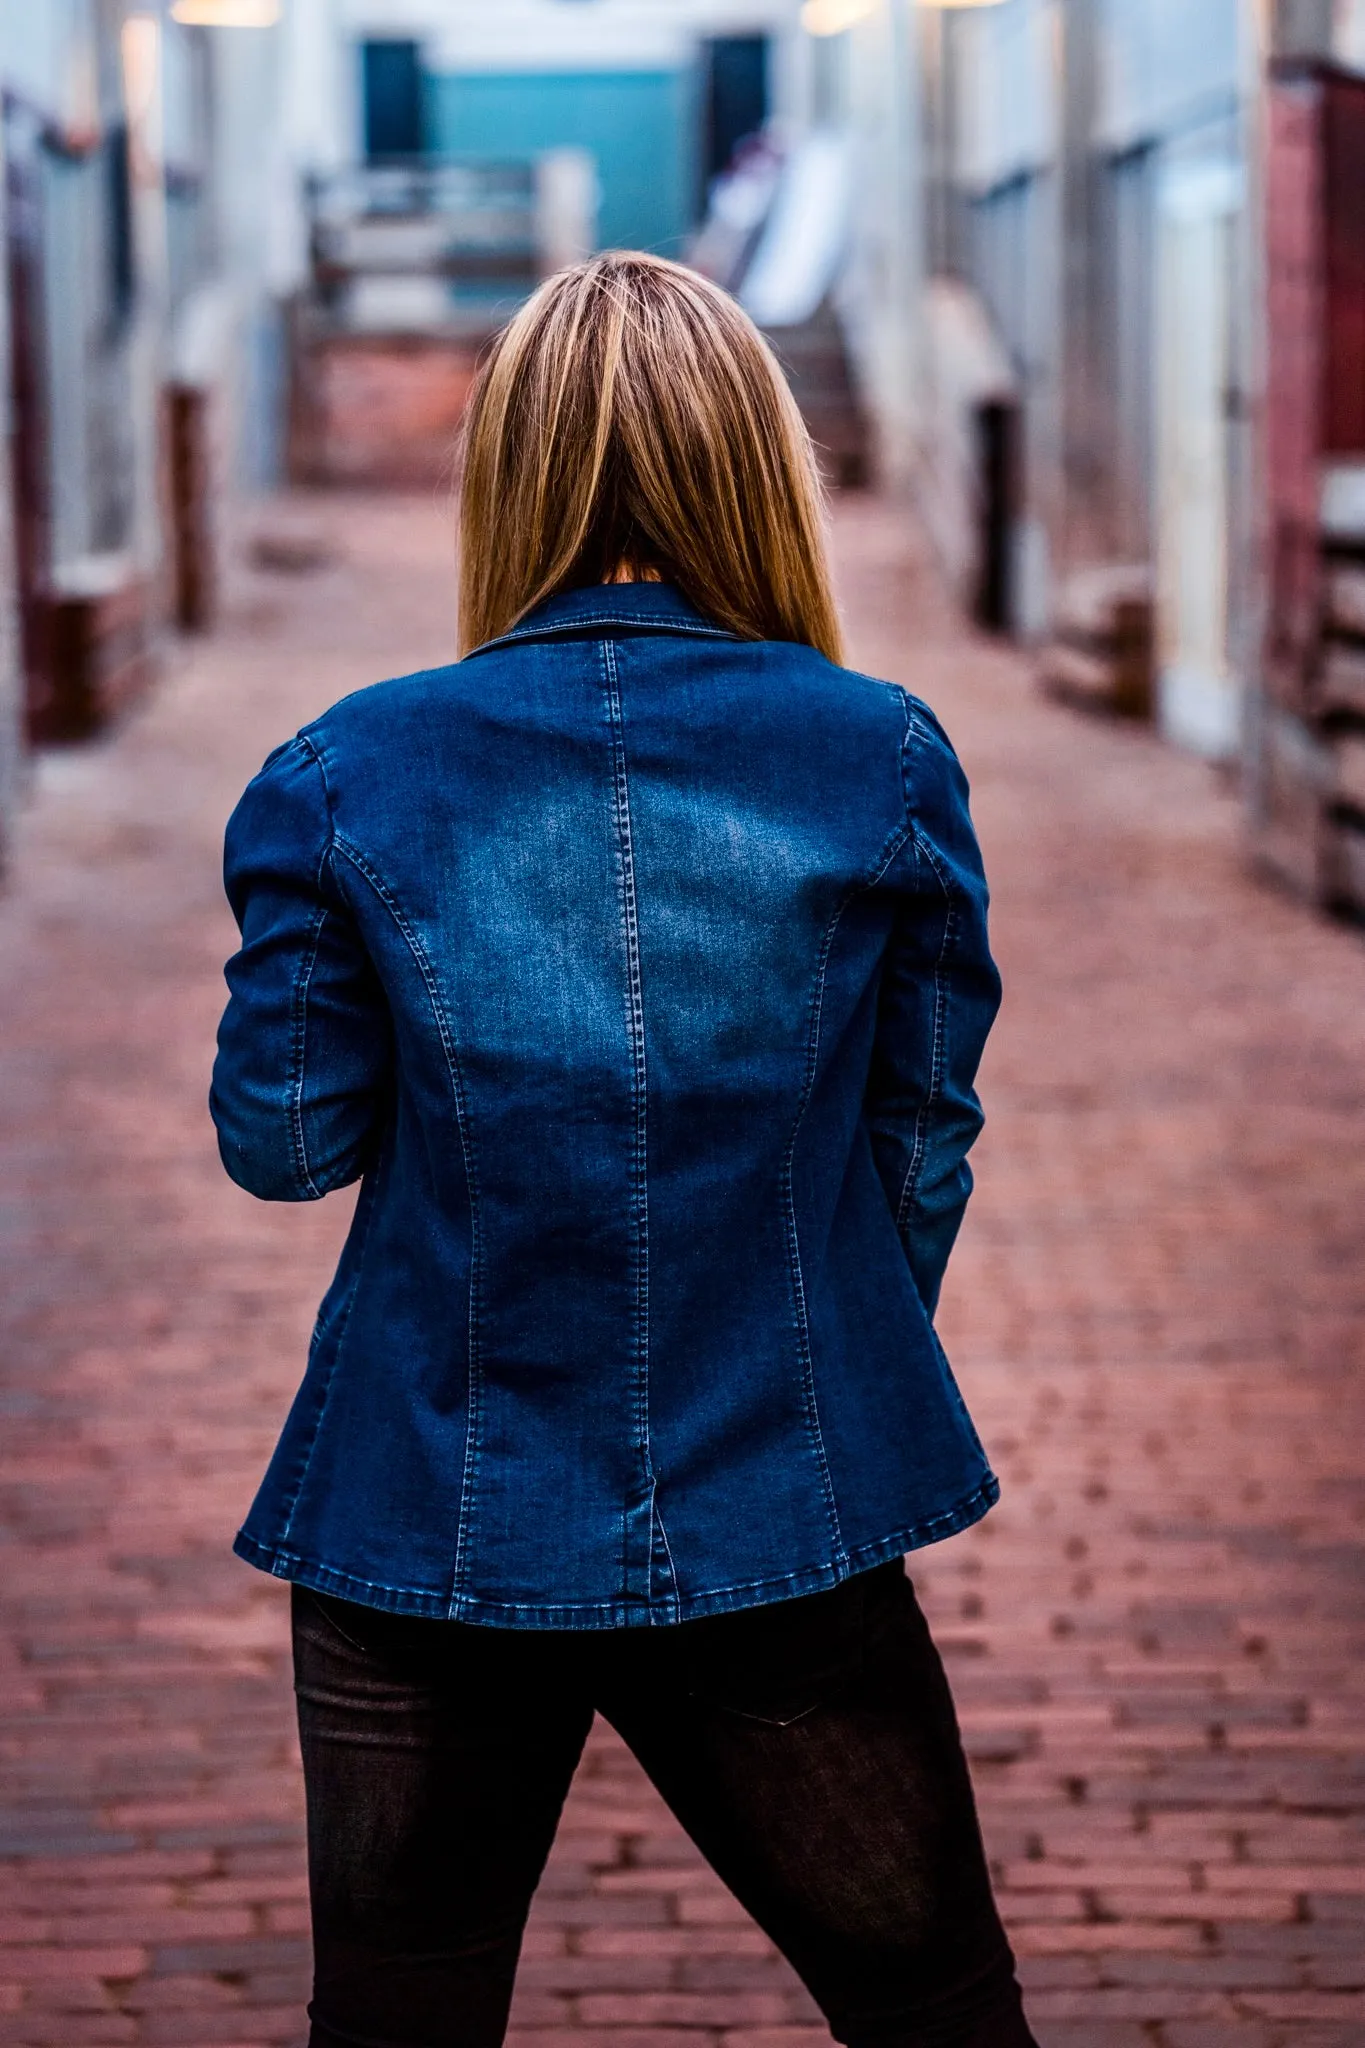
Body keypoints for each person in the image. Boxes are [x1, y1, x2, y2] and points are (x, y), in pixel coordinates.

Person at [210, 251, 1033, 2048]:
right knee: (938, 2010)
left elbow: (283, 1142)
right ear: (760, 467)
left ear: (502, 474)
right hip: (785, 1495)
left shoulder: (343, 771)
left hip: (428, 1504)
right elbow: (921, 1143)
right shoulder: (881, 756)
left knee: (399, 2024)